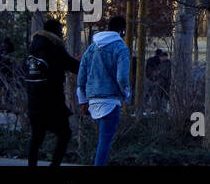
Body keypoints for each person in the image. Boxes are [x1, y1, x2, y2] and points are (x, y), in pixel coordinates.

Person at [76, 15, 133, 167]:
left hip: (93, 99)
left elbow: (81, 76)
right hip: (110, 100)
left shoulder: (91, 48)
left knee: (101, 140)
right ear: (122, 30)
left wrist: (83, 100)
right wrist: (127, 94)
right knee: (105, 141)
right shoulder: (121, 48)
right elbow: (122, 77)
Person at [24, 19, 79, 167]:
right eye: (61, 31)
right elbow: (74, 66)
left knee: (36, 139)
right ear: (56, 32)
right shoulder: (54, 48)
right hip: (52, 104)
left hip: (33, 103)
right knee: (65, 134)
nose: (62, 34)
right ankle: (54, 166)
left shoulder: (32, 50)